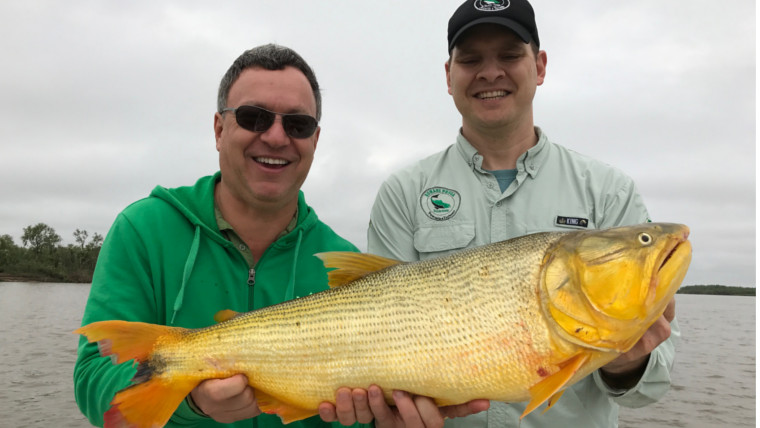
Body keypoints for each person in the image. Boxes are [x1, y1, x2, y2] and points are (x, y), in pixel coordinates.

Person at [328, 1, 679, 427]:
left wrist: (626, 362)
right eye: (471, 59)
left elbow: (650, 387)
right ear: (448, 75)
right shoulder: (403, 192)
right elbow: (372, 334)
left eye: (510, 55)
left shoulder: (608, 191)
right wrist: (381, 410)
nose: (490, 72)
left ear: (540, 66)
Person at [75, 43, 377, 428]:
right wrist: (191, 401)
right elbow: (94, 380)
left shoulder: (343, 264)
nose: (276, 137)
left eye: (297, 124)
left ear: (315, 140)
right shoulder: (143, 230)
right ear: (219, 130)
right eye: (255, 117)